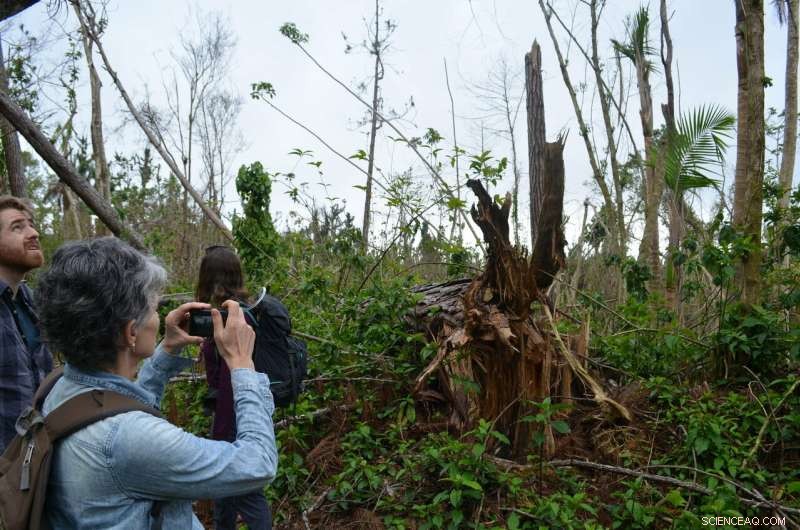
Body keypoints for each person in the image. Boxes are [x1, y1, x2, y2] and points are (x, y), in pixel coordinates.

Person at [36, 237, 277, 529]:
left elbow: (118, 407)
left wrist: (167, 350)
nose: (159, 317)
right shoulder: (131, 439)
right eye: (153, 307)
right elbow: (257, 464)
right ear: (130, 332)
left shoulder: (59, 386)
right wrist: (242, 364)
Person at [197, 245, 273, 530]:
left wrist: (221, 435)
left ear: (209, 278)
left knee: (248, 491)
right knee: (228, 490)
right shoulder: (245, 311)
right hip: (252, 407)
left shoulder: (231, 318)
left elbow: (229, 381)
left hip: (235, 415)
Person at [0, 195, 53, 452]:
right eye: (17, 227)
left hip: (31, 460)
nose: (33, 233)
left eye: (31, 224)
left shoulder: (28, 301)